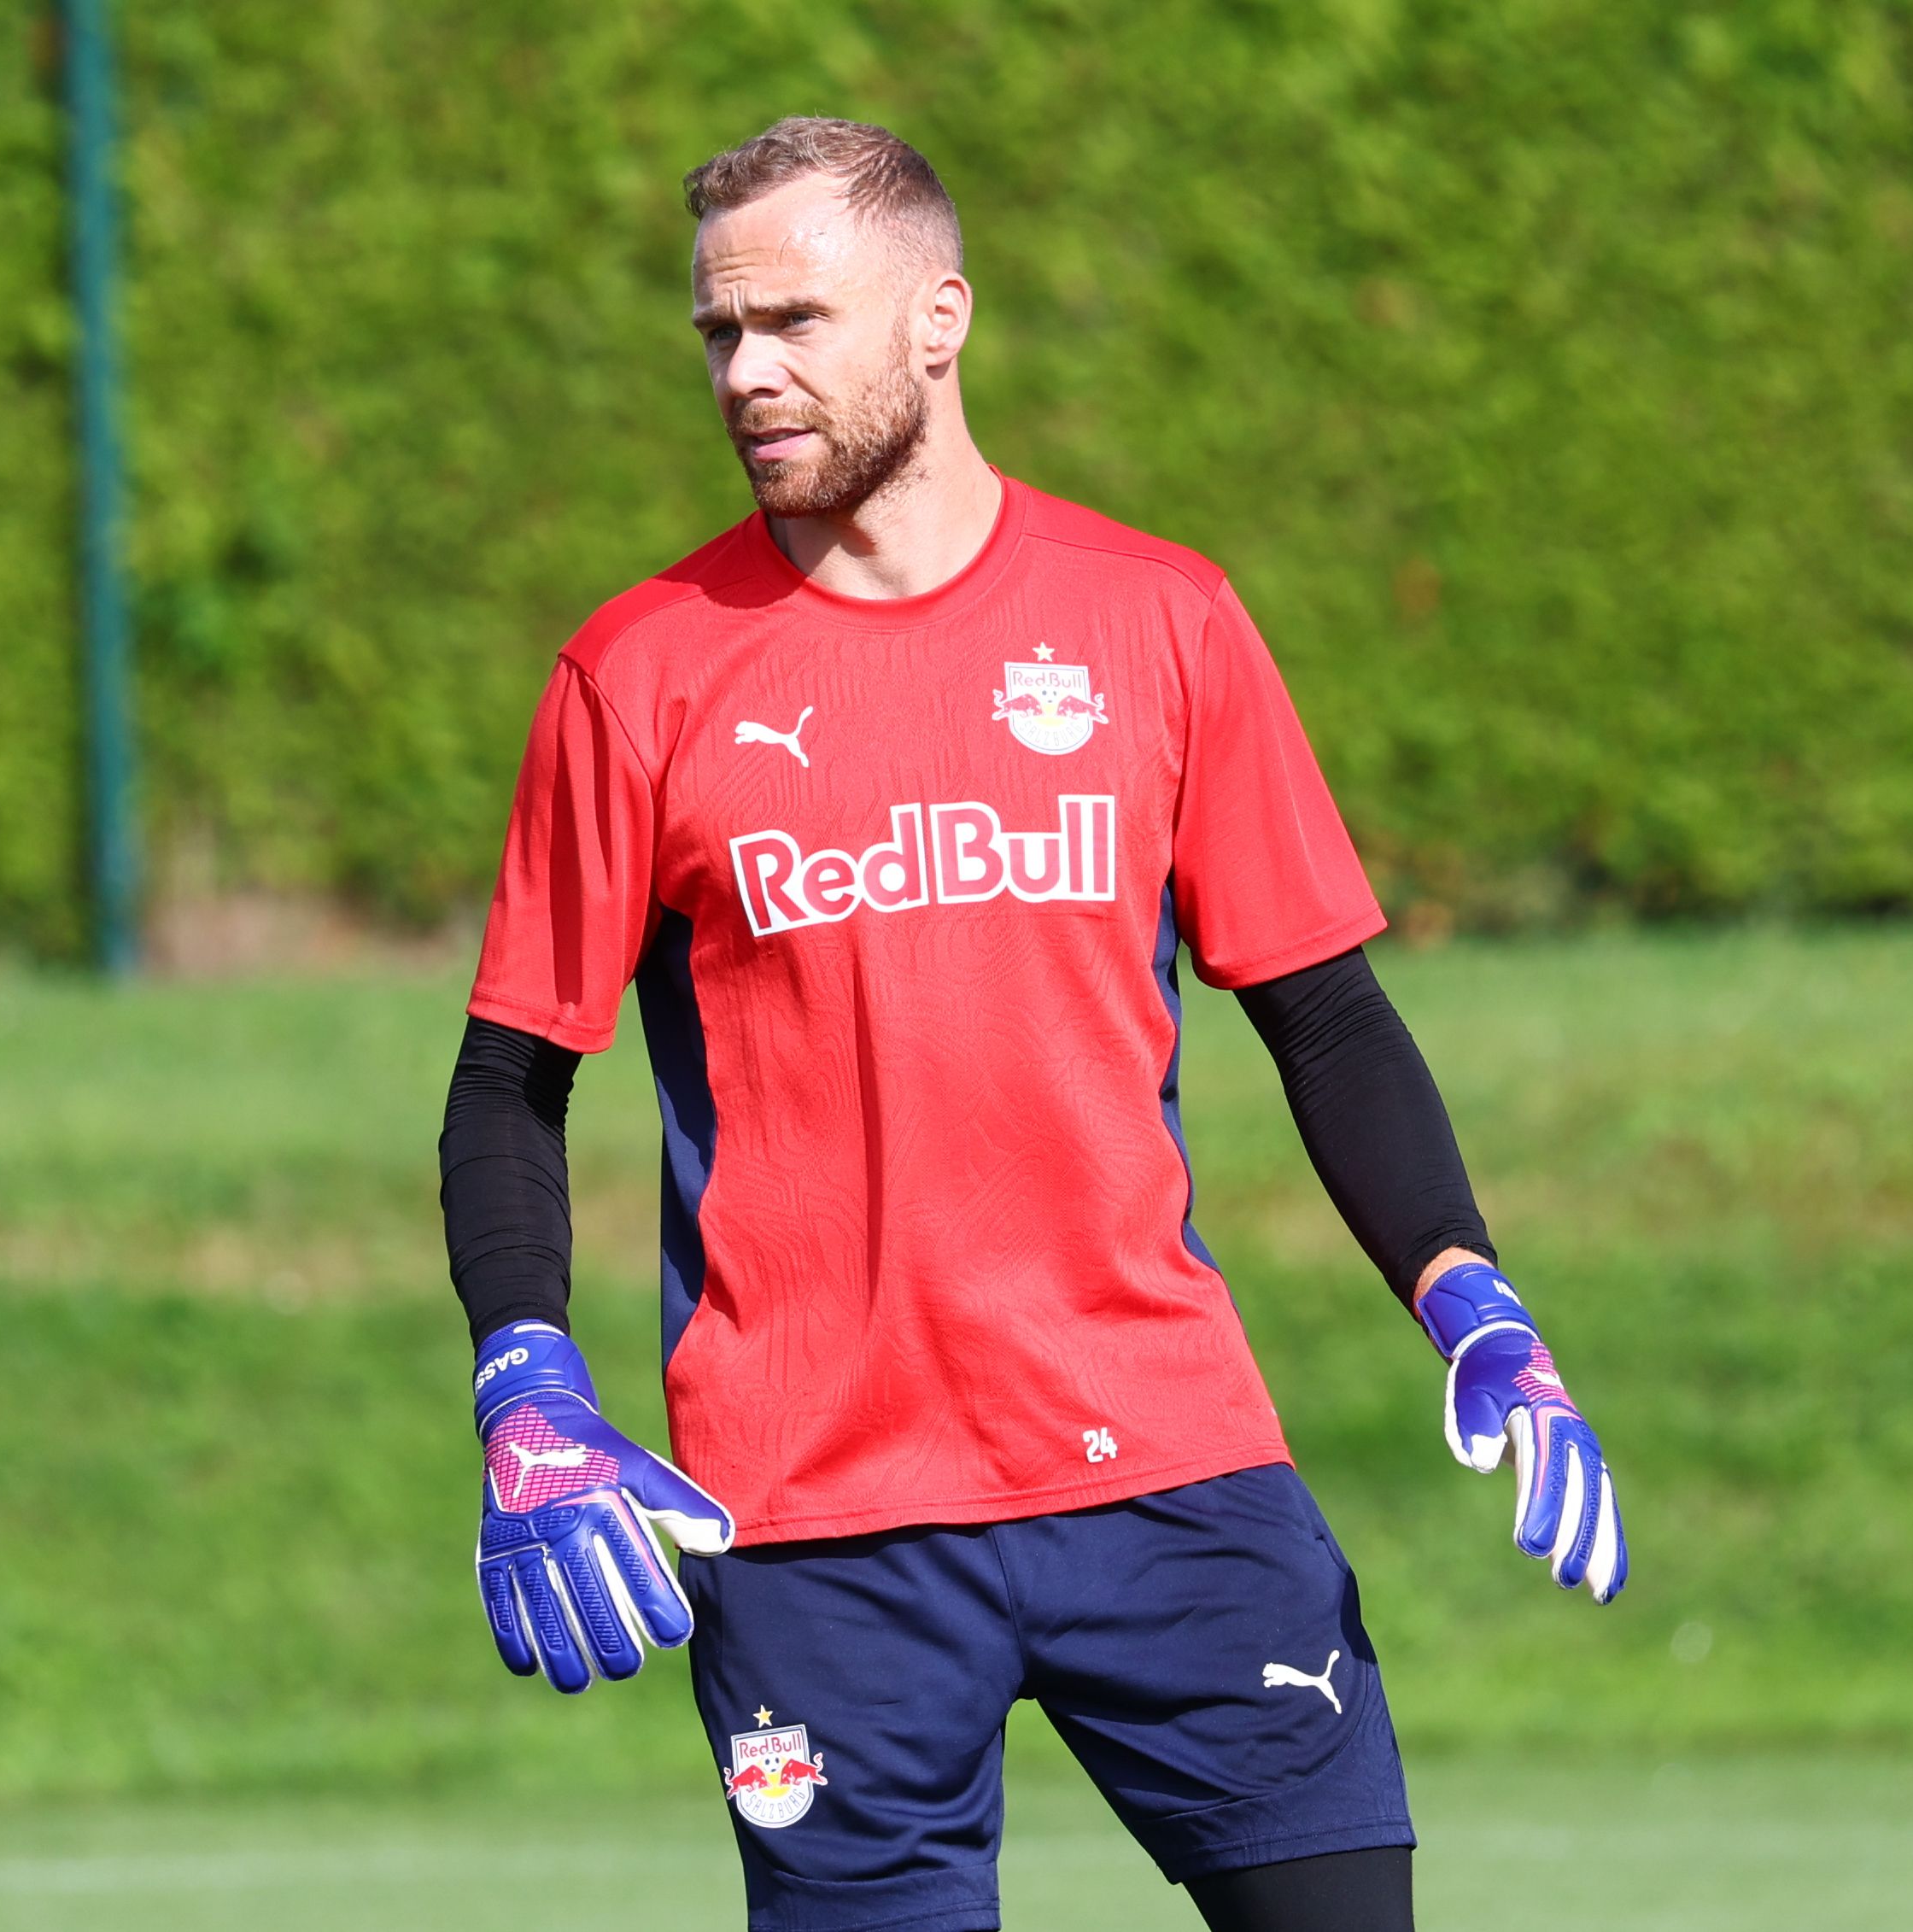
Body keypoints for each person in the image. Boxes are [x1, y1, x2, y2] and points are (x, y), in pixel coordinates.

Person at [440, 116, 1623, 1932]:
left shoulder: (1158, 620)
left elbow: (1322, 1015)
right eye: (715, 335)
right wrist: (523, 1376)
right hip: (815, 1520)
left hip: (1164, 1468)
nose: (746, 372)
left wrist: (1470, 1297)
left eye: (792, 323)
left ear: (938, 319)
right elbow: (513, 1080)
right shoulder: (637, 673)